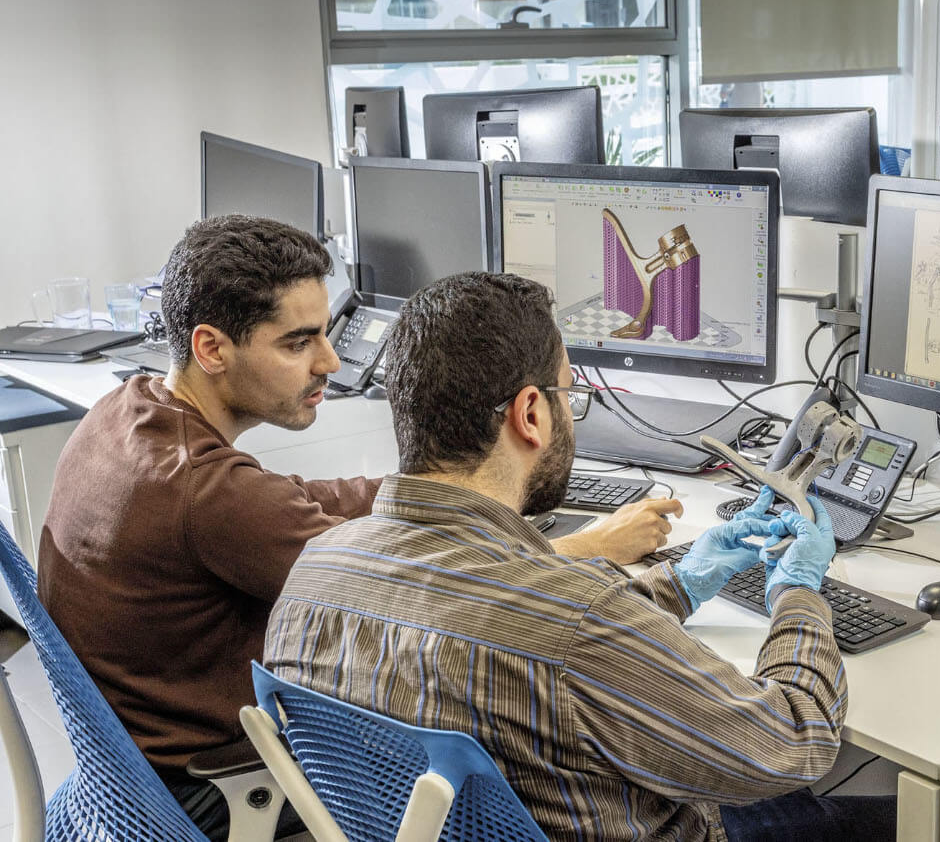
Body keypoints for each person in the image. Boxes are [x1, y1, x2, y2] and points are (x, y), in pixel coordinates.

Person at [37, 216, 673, 838]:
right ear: (211, 348)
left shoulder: (130, 413)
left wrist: (440, 490)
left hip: (127, 774)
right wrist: (589, 546)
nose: (330, 361)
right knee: (532, 750)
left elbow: (294, 497)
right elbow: (425, 592)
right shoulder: (205, 493)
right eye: (297, 342)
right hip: (218, 784)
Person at [264, 273, 895, 841]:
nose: (572, 410)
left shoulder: (315, 569)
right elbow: (797, 740)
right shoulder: (581, 622)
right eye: (570, 394)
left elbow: (544, 638)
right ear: (531, 413)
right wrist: (798, 593)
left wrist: (682, 581)